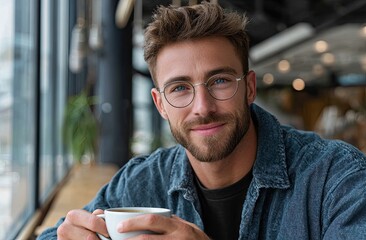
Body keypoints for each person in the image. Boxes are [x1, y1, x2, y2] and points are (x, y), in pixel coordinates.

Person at [38, 2, 366, 240]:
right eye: (180, 88)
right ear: (160, 104)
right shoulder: (141, 182)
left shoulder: (335, 179)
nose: (202, 107)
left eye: (220, 81)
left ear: (249, 87)